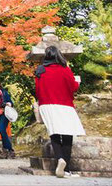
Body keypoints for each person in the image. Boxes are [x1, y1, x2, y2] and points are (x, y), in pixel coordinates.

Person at [35, 46, 85, 178]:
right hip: (64, 105)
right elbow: (73, 87)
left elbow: (38, 91)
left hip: (46, 105)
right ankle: (67, 170)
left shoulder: (40, 70)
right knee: (68, 135)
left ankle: (60, 159)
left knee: (54, 133)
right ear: (58, 55)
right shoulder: (65, 70)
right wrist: (77, 82)